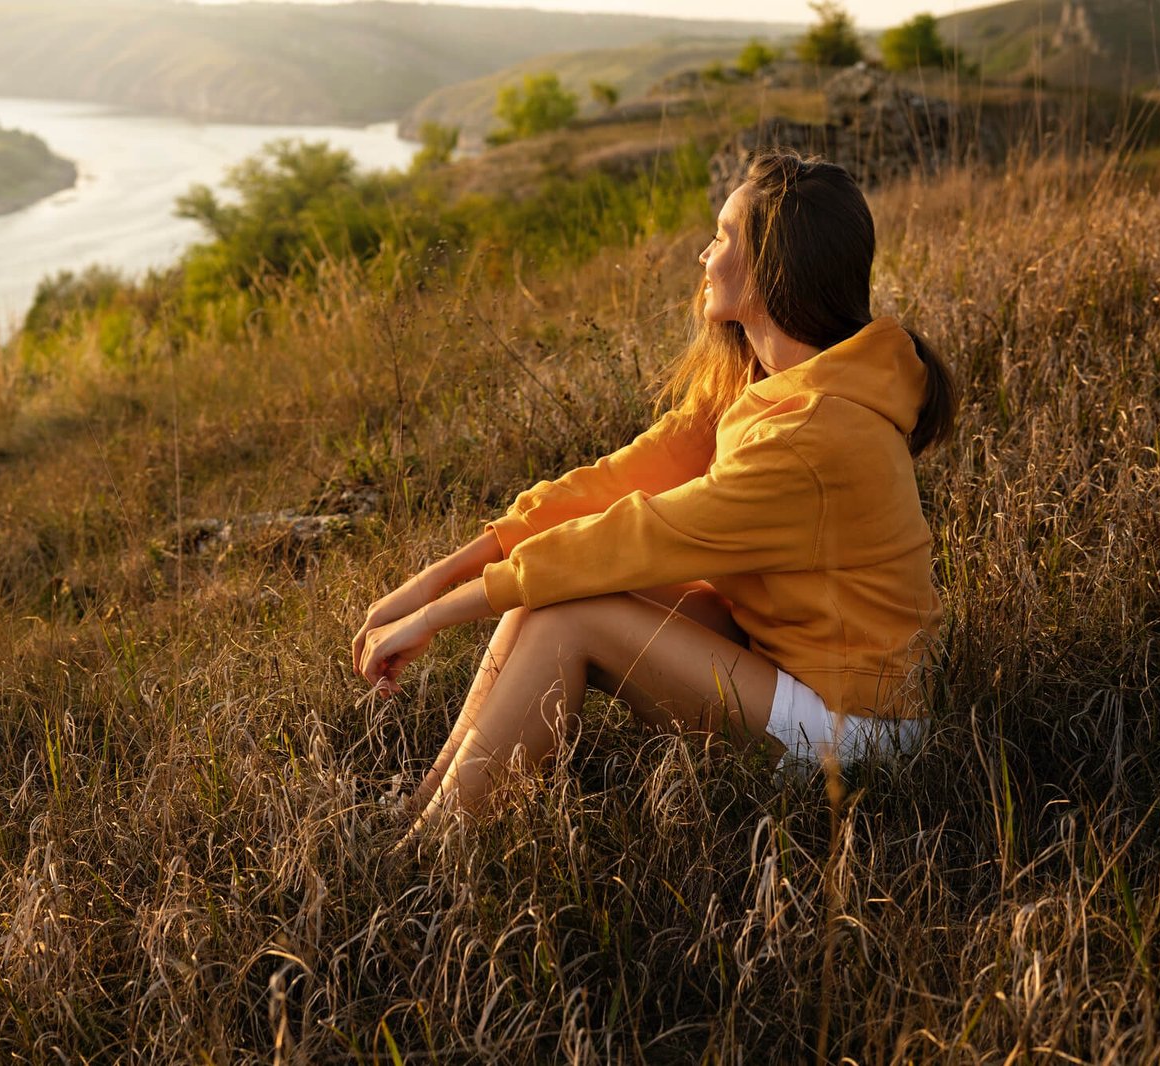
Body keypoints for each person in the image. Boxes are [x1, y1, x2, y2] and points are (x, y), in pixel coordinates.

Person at [352, 147, 955, 837]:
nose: (704, 253)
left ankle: (433, 854)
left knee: (568, 615)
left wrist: (438, 617)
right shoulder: (768, 382)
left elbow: (636, 536)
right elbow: (618, 481)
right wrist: (430, 582)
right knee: (557, 596)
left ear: (771, 268)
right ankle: (424, 809)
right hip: (787, 665)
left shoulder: (810, 433)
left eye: (724, 236)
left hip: (861, 738)